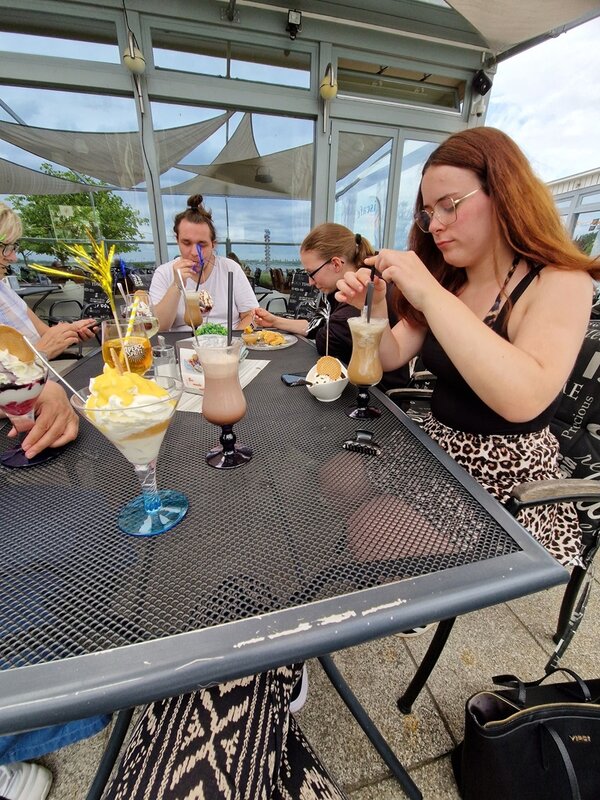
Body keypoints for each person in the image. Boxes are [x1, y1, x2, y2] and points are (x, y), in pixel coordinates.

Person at [336, 127, 599, 567]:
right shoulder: (453, 279)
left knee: (370, 530)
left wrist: (427, 293)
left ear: (504, 194)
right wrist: (378, 306)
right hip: (439, 446)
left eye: (449, 206)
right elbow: (390, 357)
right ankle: (409, 574)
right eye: (427, 212)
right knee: (335, 476)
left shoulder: (559, 280)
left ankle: (413, 581)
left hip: (506, 475)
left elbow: (524, 398)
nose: (434, 224)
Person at [253, 223, 409, 390]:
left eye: (311, 273)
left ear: (336, 264)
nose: (310, 282)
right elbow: (317, 324)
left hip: (378, 392)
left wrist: (321, 328)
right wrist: (275, 321)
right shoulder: (337, 292)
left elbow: (324, 339)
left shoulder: (364, 293)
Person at [0, 203, 98, 359]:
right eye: (5, 247)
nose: (13, 257)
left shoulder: (4, 290)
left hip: (44, 377)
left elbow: (44, 333)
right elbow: (8, 377)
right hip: (34, 380)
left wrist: (70, 332)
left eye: (14, 247)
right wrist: (41, 353)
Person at [150, 195, 257, 332]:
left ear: (213, 244)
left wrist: (234, 342)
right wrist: (177, 284)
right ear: (177, 241)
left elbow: (251, 316)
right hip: (182, 348)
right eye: (186, 243)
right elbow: (159, 328)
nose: (195, 252)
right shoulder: (164, 273)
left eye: (202, 244)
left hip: (229, 344)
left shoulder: (230, 269)